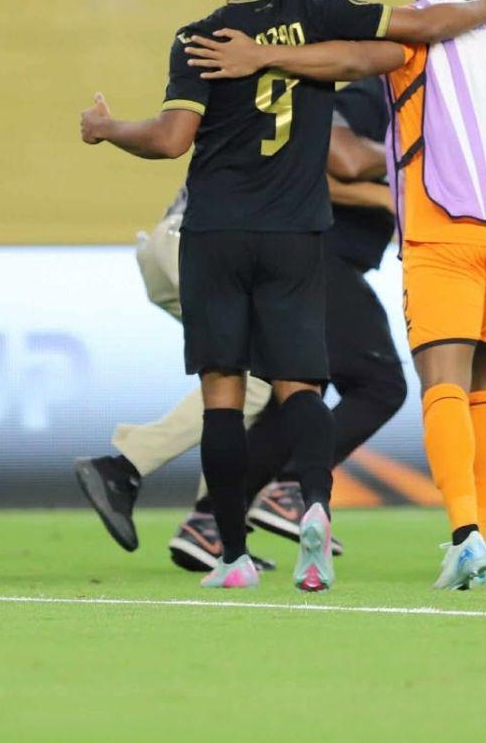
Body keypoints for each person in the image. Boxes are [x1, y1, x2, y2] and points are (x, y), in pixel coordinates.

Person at [77, 0, 486, 591]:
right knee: (309, 386)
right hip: (286, 236)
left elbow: (173, 139)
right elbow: (395, 56)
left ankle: (221, 540)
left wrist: (107, 129)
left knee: (232, 391)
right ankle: (298, 499)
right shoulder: (329, 23)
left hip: (215, 231)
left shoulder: (201, 36)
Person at [185, 0, 486, 591]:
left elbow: (347, 62)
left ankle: (464, 535)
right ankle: (481, 538)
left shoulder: (417, 35)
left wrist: (263, 55)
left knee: (443, 383)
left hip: (444, 227)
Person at [75, 78, 406, 572]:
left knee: (268, 382)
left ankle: (213, 522)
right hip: (208, 245)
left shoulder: (280, 103)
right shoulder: (365, 96)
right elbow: (341, 162)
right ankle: (124, 468)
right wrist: (405, 175)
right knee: (259, 382)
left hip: (184, 243)